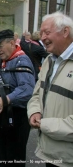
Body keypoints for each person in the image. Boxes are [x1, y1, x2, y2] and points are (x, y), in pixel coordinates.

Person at [27, 12, 73, 167]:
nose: (42, 38)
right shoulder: (49, 60)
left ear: (65, 32)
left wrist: (44, 124)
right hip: (49, 153)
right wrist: (34, 111)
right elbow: (37, 93)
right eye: (41, 33)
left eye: (47, 32)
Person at [0, 29, 35, 167]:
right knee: (3, 156)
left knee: (14, 158)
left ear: (11, 43)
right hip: (4, 116)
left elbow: (27, 89)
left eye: (0, 46)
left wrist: (5, 99)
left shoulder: (21, 59)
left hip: (18, 117)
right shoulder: (4, 60)